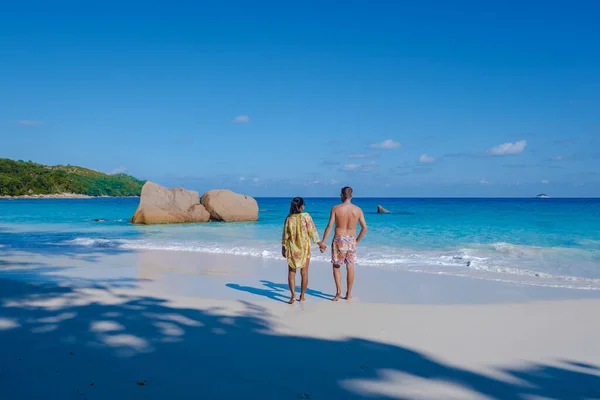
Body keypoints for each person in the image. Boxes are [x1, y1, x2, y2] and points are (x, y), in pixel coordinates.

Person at [321, 186, 367, 301]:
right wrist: (356, 241)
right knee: (350, 267)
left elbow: (330, 226)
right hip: (351, 240)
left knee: (336, 266)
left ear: (342, 195)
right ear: (351, 196)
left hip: (339, 239)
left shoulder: (336, 208)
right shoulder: (358, 210)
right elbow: (364, 228)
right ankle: (349, 294)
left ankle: (338, 293)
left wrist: (323, 242)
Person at [281, 197, 326, 304]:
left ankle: (292, 296)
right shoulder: (306, 217)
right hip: (304, 249)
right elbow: (313, 232)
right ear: (302, 206)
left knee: (291, 273)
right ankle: (302, 296)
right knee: (304, 273)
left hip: (292, 248)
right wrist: (320, 244)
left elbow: (285, 235)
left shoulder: (289, 219)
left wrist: (283, 247)